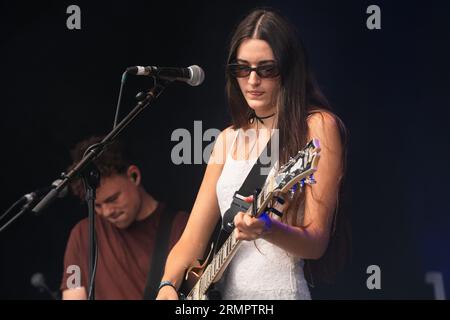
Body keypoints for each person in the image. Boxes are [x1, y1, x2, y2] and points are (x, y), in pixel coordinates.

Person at [156, 8, 348, 300]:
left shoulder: (317, 126)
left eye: (266, 69)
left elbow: (316, 242)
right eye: (242, 69)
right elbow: (191, 241)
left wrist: (267, 228)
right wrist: (167, 285)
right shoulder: (226, 139)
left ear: (288, 69)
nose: (252, 80)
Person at [60, 136, 189, 300]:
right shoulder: (82, 236)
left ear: (133, 176)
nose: (106, 212)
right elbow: (73, 292)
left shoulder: (184, 228)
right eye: (97, 206)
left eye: (112, 199)